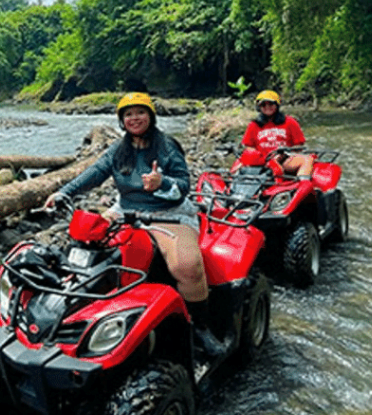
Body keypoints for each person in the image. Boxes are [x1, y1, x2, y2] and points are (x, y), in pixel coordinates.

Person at [45, 91, 227, 359]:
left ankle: (200, 328)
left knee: (186, 266)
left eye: (140, 112)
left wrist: (161, 183)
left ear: (150, 116)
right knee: (85, 244)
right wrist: (64, 193)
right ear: (121, 120)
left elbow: (183, 185)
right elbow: (94, 174)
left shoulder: (167, 146)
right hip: (126, 209)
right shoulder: (118, 150)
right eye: (128, 114)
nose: (134, 118)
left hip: (169, 212)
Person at [241, 89, 314, 179]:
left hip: (285, 160)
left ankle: (302, 185)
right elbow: (249, 146)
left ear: (277, 105)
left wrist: (283, 155)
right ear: (259, 107)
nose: (267, 107)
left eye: (271, 104)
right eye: (263, 105)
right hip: (262, 162)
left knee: (307, 159)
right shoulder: (253, 125)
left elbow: (299, 145)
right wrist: (260, 158)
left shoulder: (290, 122)